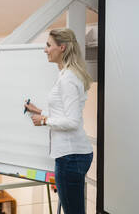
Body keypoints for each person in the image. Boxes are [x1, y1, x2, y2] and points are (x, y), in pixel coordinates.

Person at [24, 29, 93, 214]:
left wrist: (44, 120)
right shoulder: (66, 75)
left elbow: (72, 121)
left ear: (61, 47)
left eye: (48, 45)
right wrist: (39, 111)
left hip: (71, 157)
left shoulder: (68, 79)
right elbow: (64, 112)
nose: (45, 50)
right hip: (73, 155)